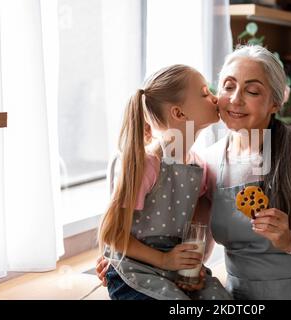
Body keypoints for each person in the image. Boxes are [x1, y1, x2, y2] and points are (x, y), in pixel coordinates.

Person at [98, 45, 291, 300]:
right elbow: (194, 242)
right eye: (228, 87)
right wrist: (124, 261)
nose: (235, 100)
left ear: (276, 101)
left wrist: (290, 240)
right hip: (240, 297)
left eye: (252, 91)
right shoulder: (206, 164)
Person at [98, 64, 232, 300]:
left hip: (172, 270)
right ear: (179, 114)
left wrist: (192, 270)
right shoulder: (147, 165)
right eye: (204, 93)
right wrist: (164, 260)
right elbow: (112, 234)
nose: (215, 98)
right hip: (134, 270)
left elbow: (195, 235)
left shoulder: (198, 169)